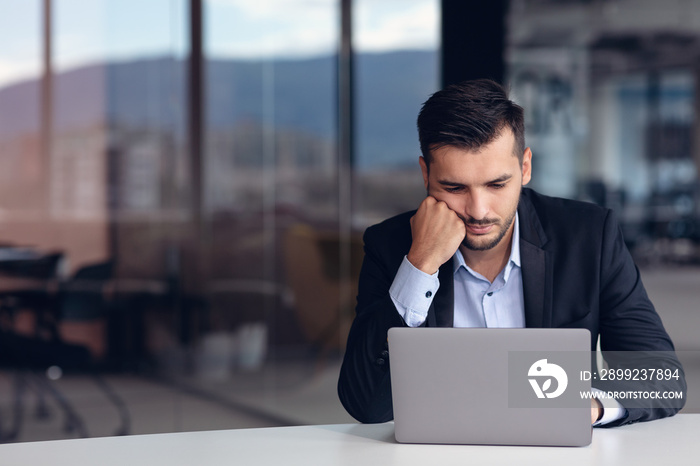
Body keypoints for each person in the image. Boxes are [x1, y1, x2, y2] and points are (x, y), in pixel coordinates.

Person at [337, 79, 685, 427]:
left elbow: (663, 377)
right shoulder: (391, 246)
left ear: (525, 168)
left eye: (496, 184)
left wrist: (589, 404)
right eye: (455, 187)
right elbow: (365, 404)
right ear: (426, 174)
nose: (478, 210)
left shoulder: (589, 236)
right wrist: (420, 266)